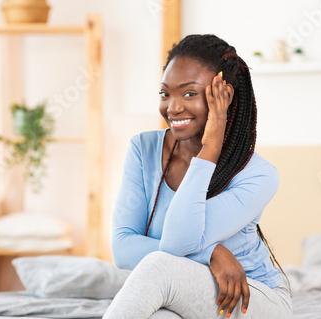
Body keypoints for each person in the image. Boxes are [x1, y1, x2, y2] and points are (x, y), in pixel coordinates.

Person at [104, 34, 292, 319]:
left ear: (224, 98)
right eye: (165, 93)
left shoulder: (259, 175)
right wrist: (212, 253)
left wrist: (210, 149)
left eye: (189, 93)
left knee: (158, 268)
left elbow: (176, 245)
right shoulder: (144, 149)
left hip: (250, 297)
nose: (173, 107)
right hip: (189, 292)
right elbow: (122, 248)